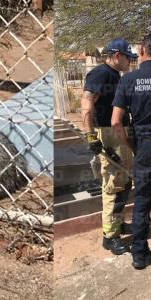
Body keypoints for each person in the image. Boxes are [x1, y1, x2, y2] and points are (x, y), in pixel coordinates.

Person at [81, 38, 137, 255]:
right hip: (108, 133)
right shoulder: (101, 73)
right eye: (127, 58)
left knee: (123, 181)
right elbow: (86, 103)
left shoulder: (113, 75)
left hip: (116, 132)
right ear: (117, 56)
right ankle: (109, 236)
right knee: (113, 184)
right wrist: (91, 136)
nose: (130, 62)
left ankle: (117, 224)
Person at [112, 33, 151, 269]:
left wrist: (131, 146)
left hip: (144, 147)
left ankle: (139, 255)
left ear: (141, 50)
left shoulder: (128, 80)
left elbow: (116, 121)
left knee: (142, 201)